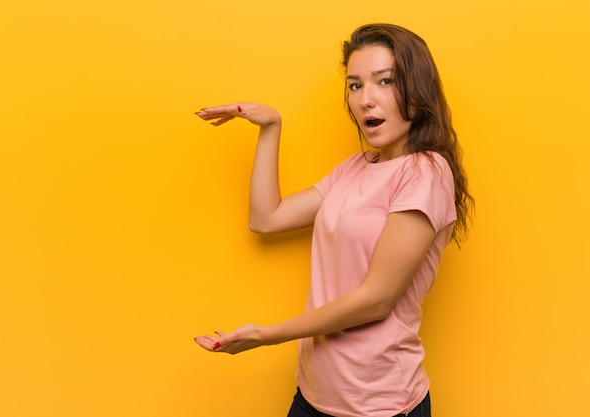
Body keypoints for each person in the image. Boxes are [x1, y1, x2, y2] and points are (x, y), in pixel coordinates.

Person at [193, 23, 473, 417]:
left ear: (416, 90)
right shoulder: (356, 167)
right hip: (313, 395)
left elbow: (376, 300)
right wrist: (271, 126)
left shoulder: (425, 173)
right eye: (355, 85)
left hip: (379, 405)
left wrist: (267, 335)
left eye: (384, 81)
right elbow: (266, 218)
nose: (365, 100)